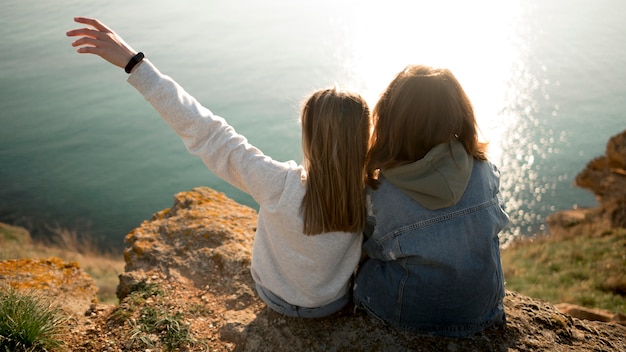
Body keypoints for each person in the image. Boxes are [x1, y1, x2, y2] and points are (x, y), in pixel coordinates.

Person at [66, 17, 371, 318]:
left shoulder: (277, 183)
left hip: (275, 298)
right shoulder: (374, 191)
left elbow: (207, 131)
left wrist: (135, 64)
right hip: (331, 302)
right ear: (364, 137)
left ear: (309, 137)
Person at [353, 65, 510, 337]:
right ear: (459, 115)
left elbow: (366, 247)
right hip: (483, 309)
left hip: (409, 313)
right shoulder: (484, 170)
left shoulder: (379, 193)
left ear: (391, 120)